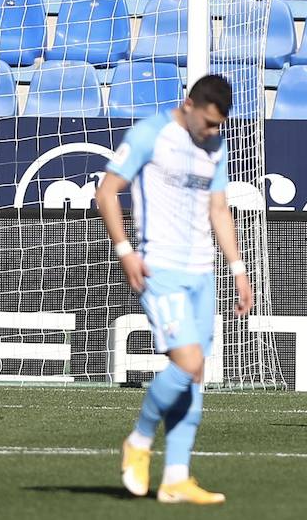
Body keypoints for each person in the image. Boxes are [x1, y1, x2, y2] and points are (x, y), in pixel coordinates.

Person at [97, 74, 253, 504]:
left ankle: (176, 478)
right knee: (186, 362)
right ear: (188, 105)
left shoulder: (216, 147)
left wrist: (238, 270)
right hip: (159, 268)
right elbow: (107, 192)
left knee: (196, 374)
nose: (214, 132)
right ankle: (140, 440)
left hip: (201, 273)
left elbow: (218, 208)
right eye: (208, 122)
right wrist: (125, 250)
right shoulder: (151, 134)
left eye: (220, 125)